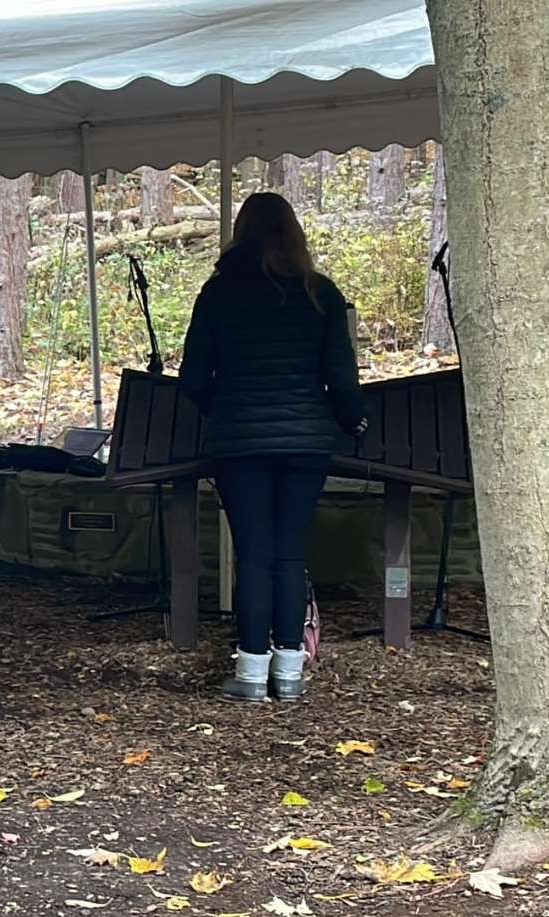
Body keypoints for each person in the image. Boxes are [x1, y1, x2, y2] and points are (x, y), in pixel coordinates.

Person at [177, 192, 366, 702]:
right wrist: (351, 421)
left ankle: (251, 674)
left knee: (254, 555)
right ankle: (290, 670)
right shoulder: (319, 294)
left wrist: (226, 407)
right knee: (289, 553)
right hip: (306, 443)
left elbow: (192, 377)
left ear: (240, 234)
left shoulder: (218, 295)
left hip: (239, 443)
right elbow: (342, 378)